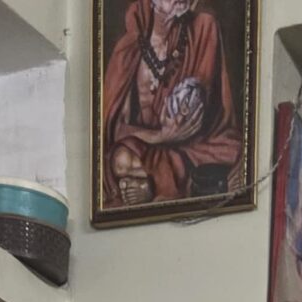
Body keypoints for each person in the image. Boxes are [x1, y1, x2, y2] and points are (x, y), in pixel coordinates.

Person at [101, 0, 242, 209]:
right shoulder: (129, 46)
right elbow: (117, 130)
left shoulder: (204, 26)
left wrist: (180, 124)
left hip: (195, 144)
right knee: (121, 160)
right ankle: (161, 180)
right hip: (149, 146)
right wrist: (162, 136)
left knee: (233, 152)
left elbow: (197, 108)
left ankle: (151, 184)